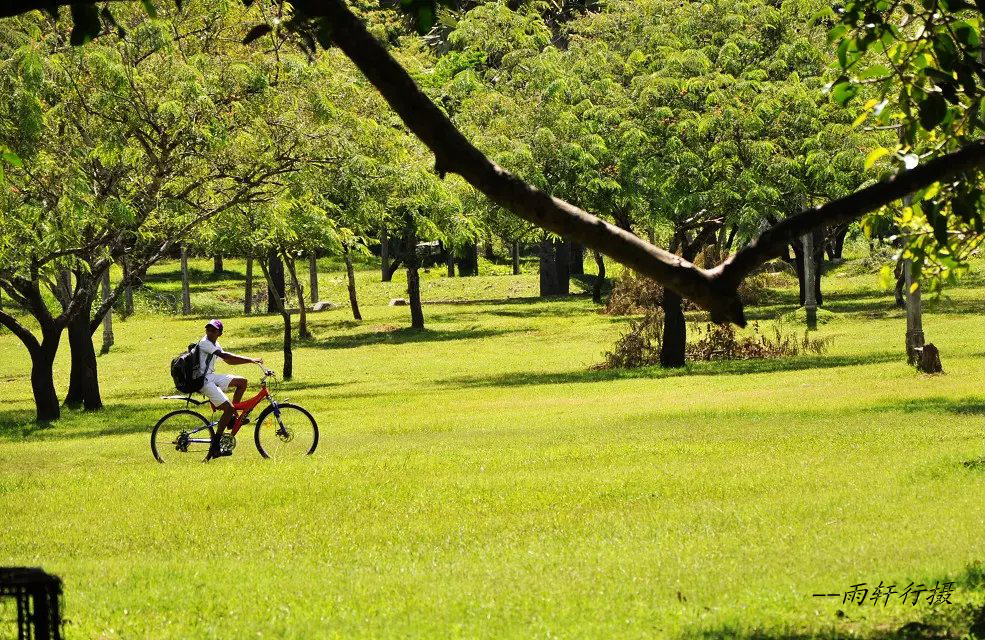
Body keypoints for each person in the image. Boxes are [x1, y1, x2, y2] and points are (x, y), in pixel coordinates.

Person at [197, 319, 265, 461]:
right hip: (203, 381)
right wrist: (251, 359)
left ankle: (232, 419)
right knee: (228, 408)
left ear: (219, 333)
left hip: (210, 377)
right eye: (208, 329)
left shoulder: (215, 344)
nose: (209, 332)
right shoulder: (204, 343)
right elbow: (226, 356)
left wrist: (251, 362)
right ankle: (215, 446)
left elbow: (228, 360)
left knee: (242, 382)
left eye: (213, 330)